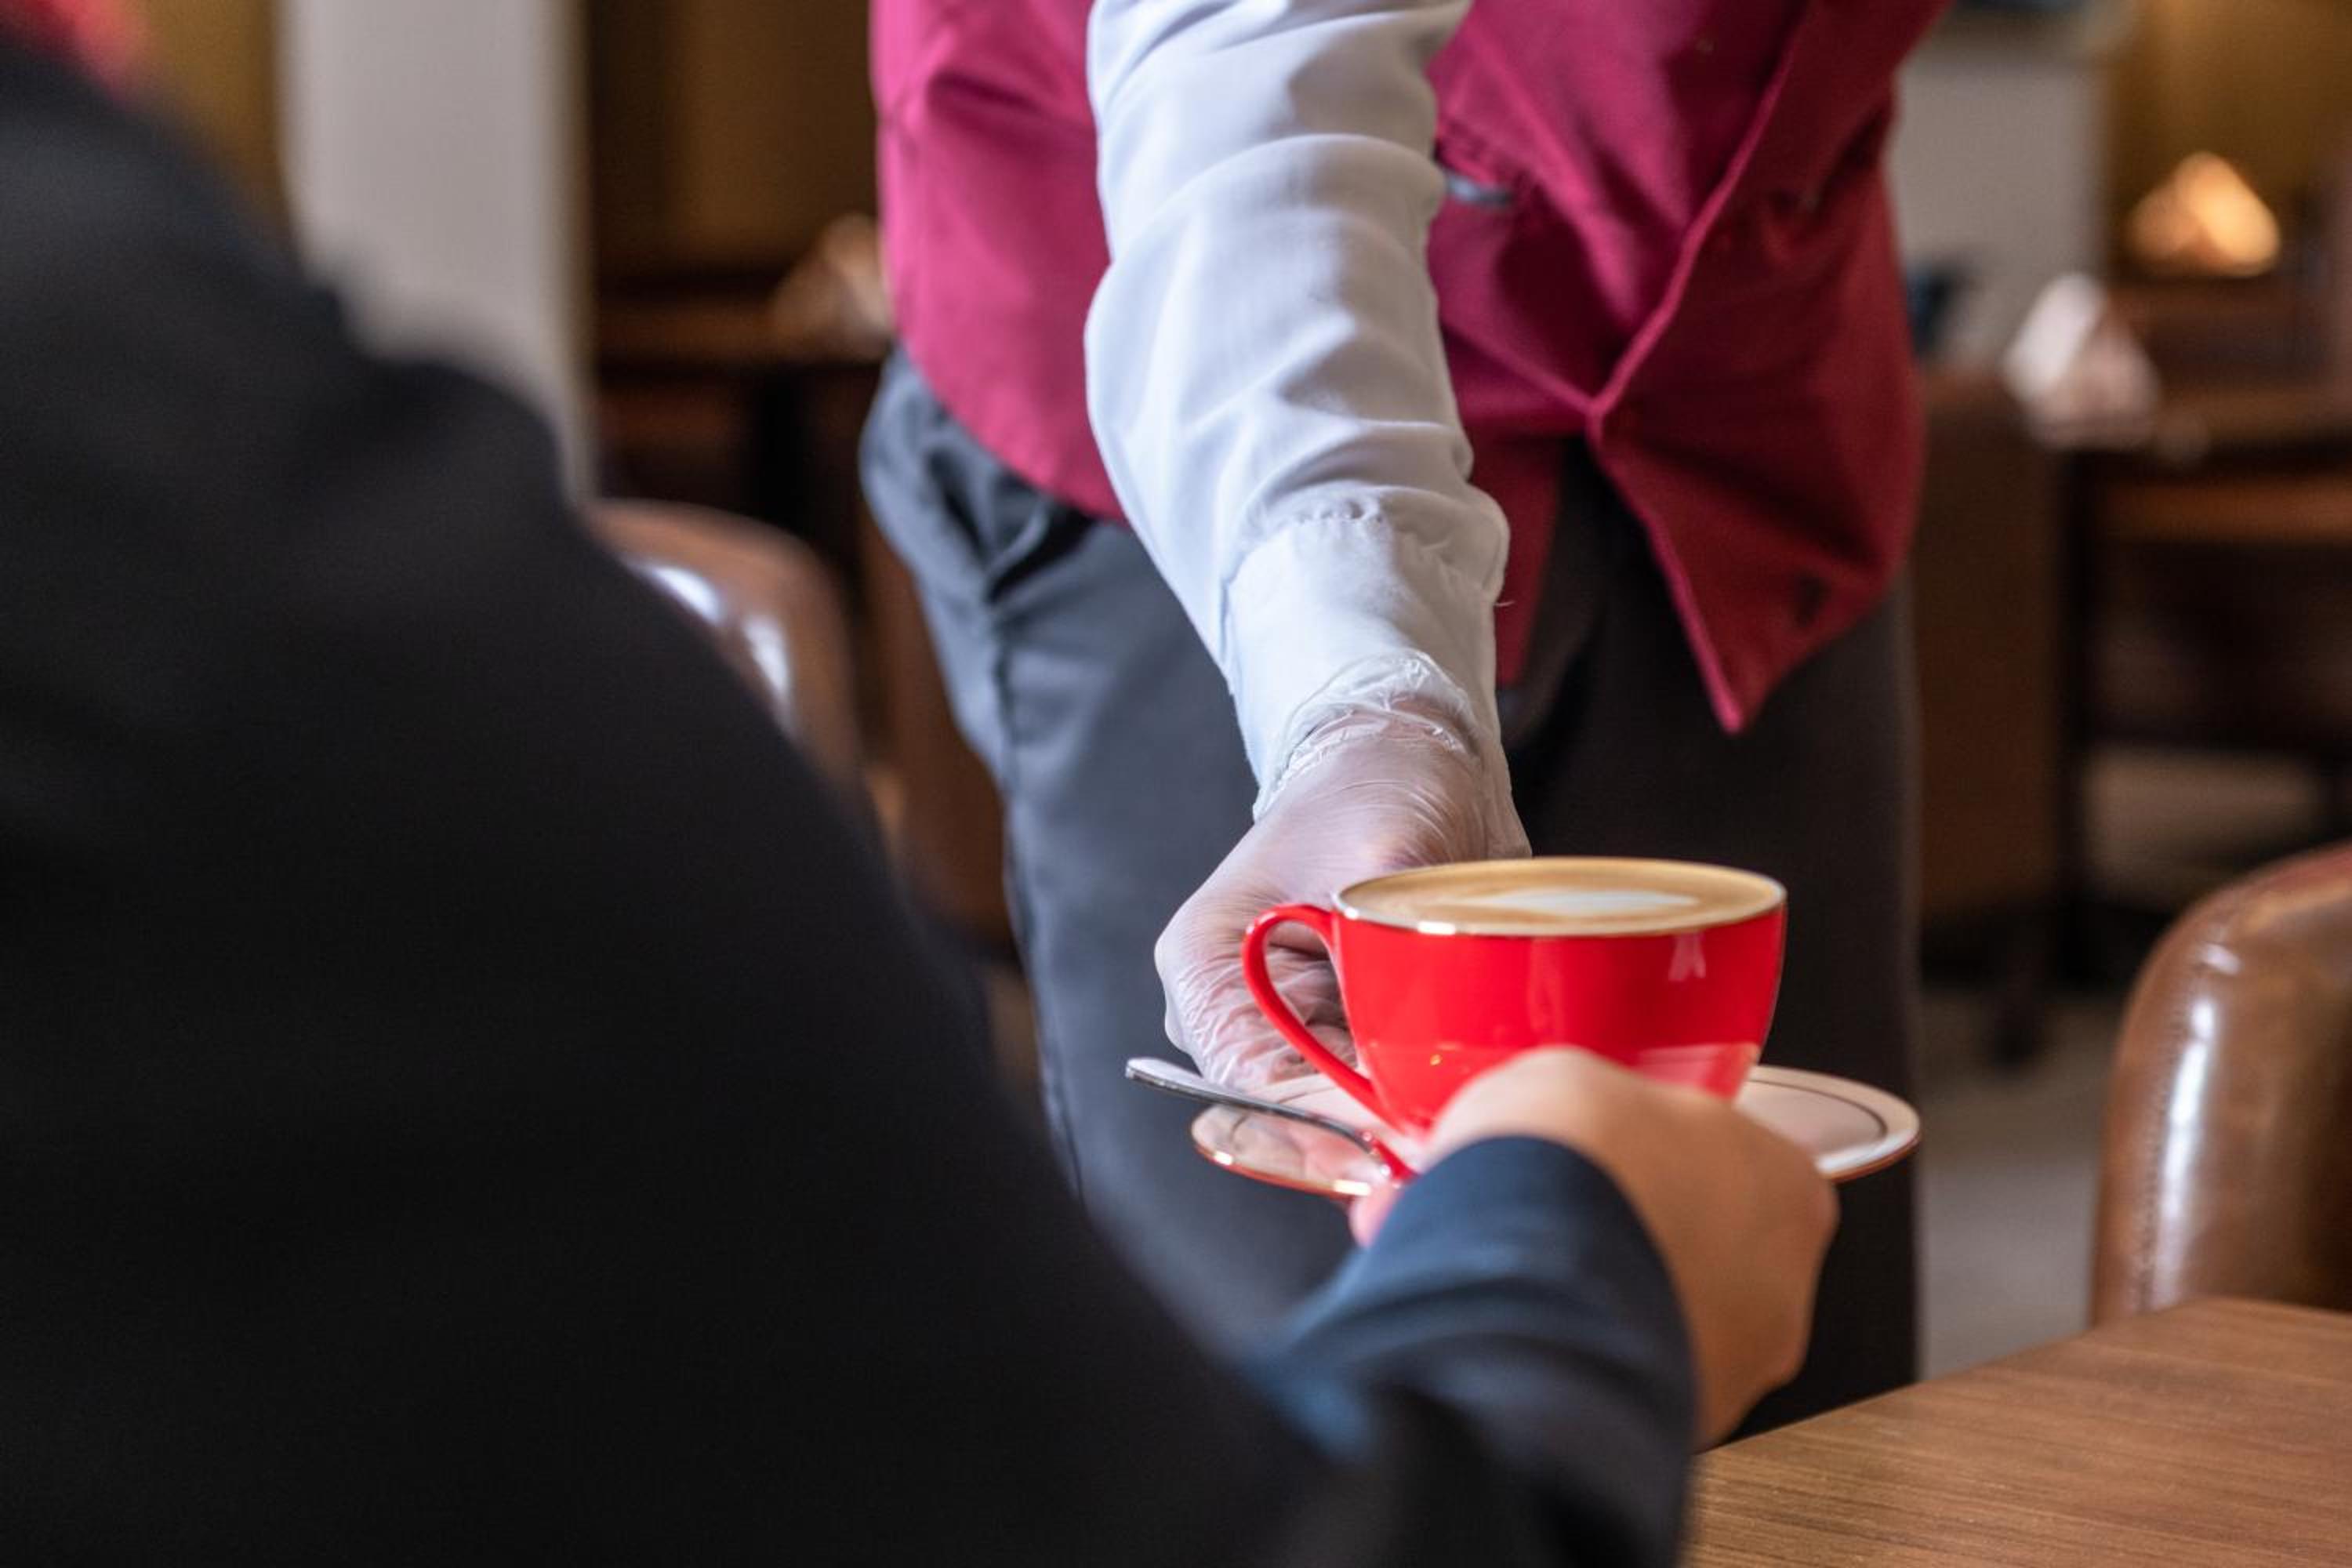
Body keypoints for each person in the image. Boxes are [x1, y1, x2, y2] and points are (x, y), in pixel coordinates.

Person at [0, 19, 1837, 1559]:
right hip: (1188, 379)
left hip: (1738, 390)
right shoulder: (167, 501)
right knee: (1257, 1299)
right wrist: (1565, 1263)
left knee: (1823, 1401)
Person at [862, 0, 1946, 1417]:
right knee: (1301, 1384)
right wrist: (1363, 703)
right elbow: (1260, 70)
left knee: (1787, 1328)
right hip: (1209, 349)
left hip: (1736, 370)